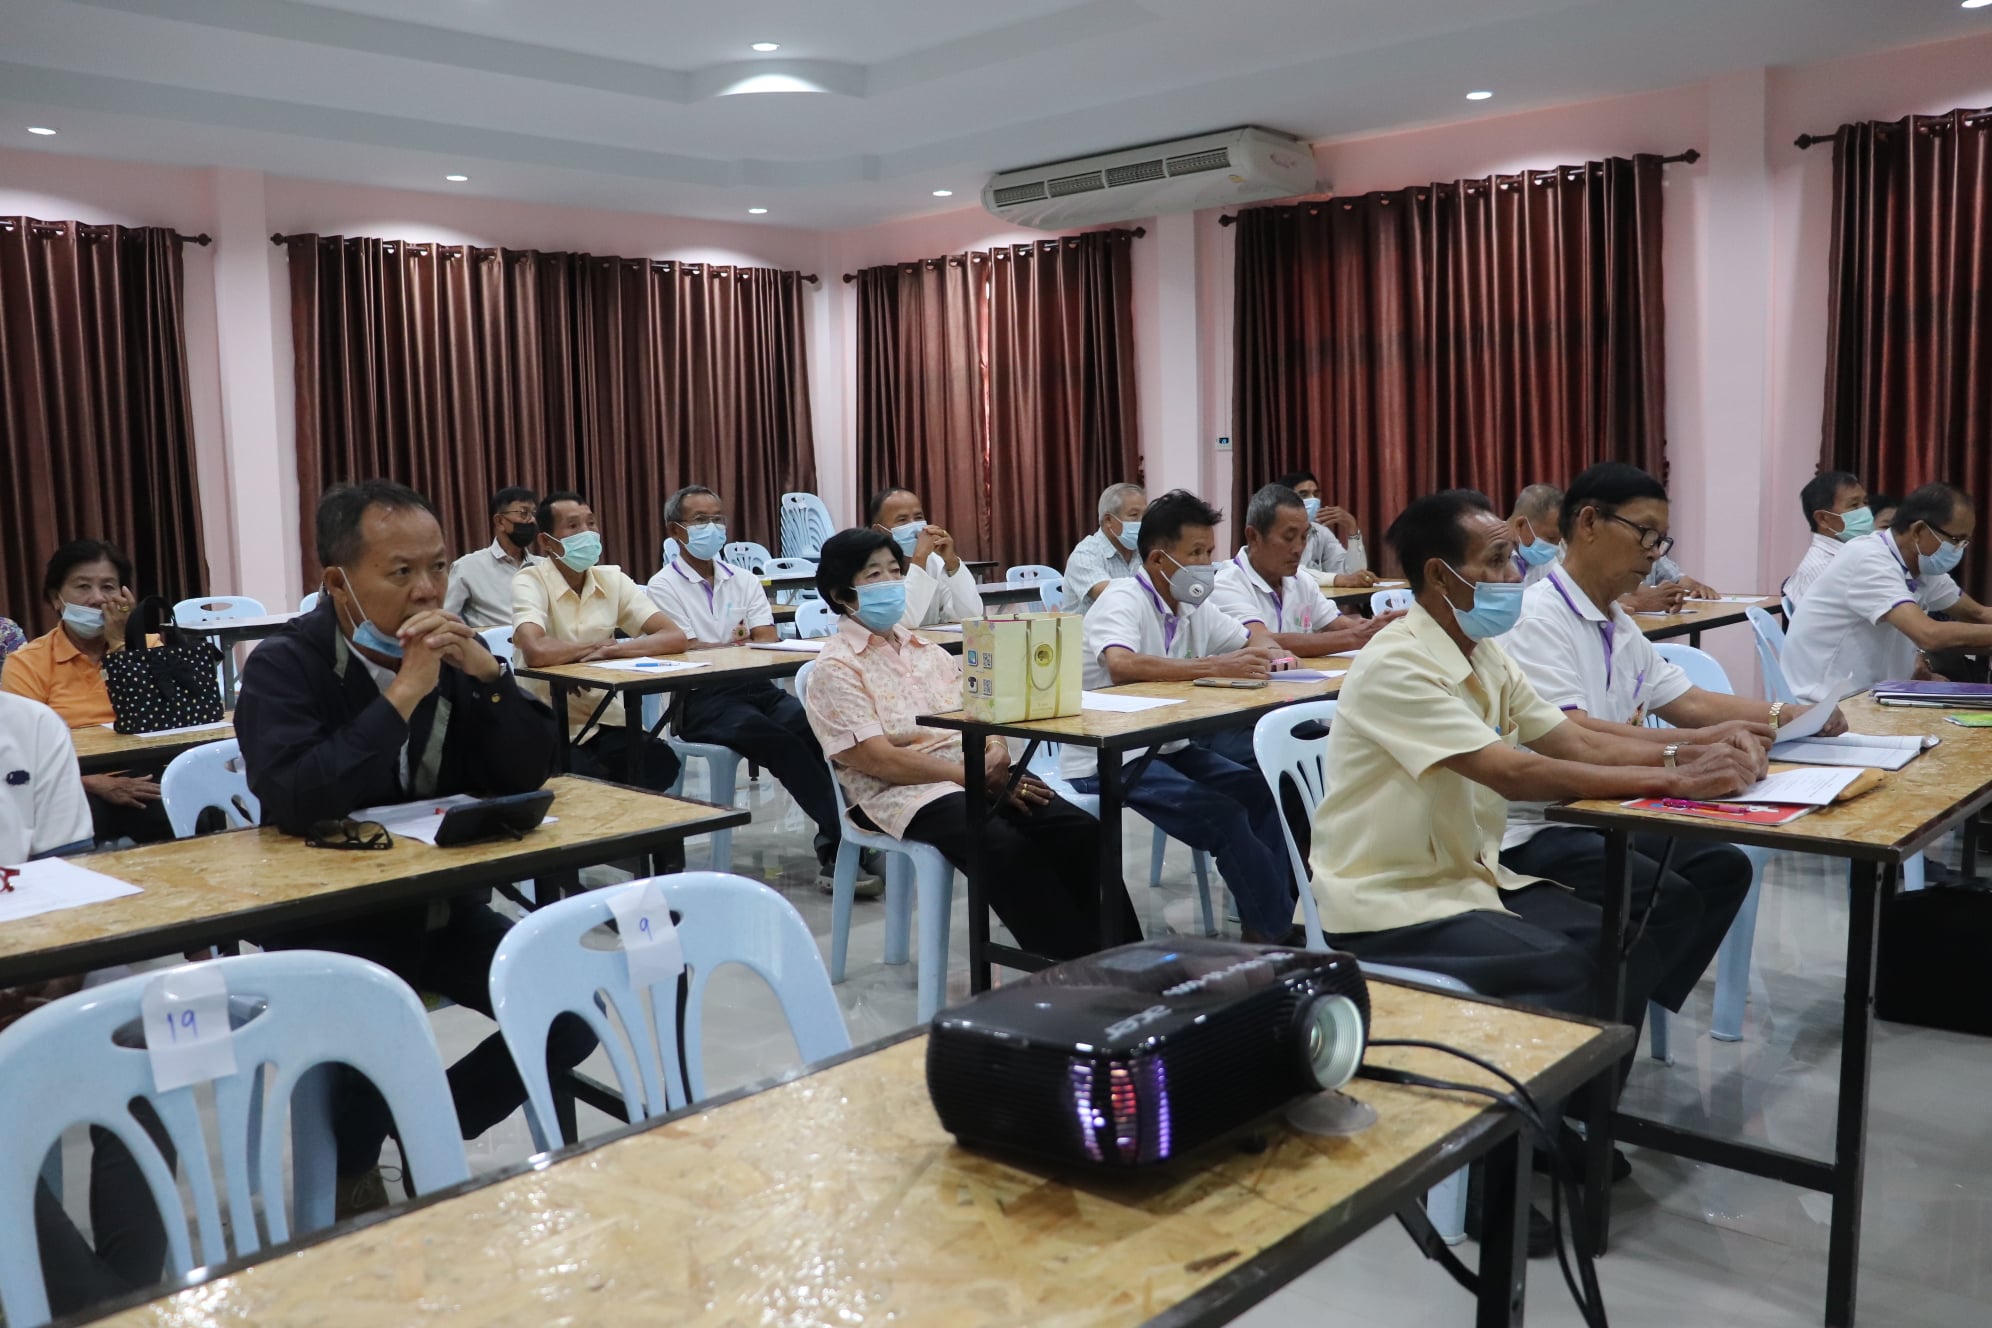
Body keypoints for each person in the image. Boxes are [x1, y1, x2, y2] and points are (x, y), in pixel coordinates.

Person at [233, 479, 592, 1218]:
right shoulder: (282, 664)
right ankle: (352, 1171)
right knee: (378, 1020)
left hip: (438, 905)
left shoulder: (456, 653)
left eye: (438, 566)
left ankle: (425, 1122)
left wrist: (490, 679)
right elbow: (299, 794)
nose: (429, 589)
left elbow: (527, 771)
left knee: (568, 1006)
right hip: (331, 922)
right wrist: (402, 695)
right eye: (401, 572)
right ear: (339, 582)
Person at [1308, 486, 1760, 1028]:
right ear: (1439, 576)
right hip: (1387, 900)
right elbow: (1514, 773)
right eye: (1496, 561)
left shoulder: (1485, 654)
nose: (1513, 577)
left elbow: (1575, 739)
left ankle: (1592, 1076)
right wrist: (1677, 779)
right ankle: (1554, 1075)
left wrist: (1695, 749)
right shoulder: (1398, 663)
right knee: (1566, 967)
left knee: (1628, 946)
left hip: (1471, 876)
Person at [1498, 464, 1812, 1022]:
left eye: (1661, 539)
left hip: (1606, 807)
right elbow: (1572, 736)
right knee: (1665, 899)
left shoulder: (1617, 622)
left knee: (1722, 868)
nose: (1654, 552)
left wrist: (1787, 714)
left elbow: (1688, 700)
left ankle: (1623, 998)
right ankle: (1605, 1023)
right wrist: (1693, 749)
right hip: (1537, 823)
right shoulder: (1538, 617)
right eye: (1645, 533)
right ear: (1588, 523)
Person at [803, 528, 1136, 957]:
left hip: (975, 773)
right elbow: (878, 759)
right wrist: (971, 776)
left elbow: (980, 710)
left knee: (1079, 830)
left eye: (894, 571)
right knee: (1002, 845)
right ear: (840, 594)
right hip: (902, 791)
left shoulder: (926, 649)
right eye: (874, 575)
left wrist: (997, 749)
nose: (892, 583)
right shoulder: (836, 667)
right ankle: (1072, 968)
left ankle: (1130, 959)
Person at [3, 692, 170, 1318]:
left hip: (29, 958)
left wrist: (54, 974)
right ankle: (112, 1310)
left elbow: (64, 881)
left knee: (153, 1046)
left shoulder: (28, 726)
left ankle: (116, 1297)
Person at [1067, 489, 1298, 943]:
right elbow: (1121, 664)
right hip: (1112, 754)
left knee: (1258, 794)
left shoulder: (1192, 606)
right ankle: (1277, 938)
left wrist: (1273, 653)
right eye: (1195, 553)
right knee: (1225, 817)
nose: (1207, 564)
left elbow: (1247, 640)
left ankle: (1272, 922)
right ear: (1158, 559)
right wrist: (1215, 666)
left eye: (1209, 552)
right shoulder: (1122, 598)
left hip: (1168, 744)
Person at [645, 485, 876, 895]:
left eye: (717, 518)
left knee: (815, 727)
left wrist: (724, 646)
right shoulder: (662, 586)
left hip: (756, 686)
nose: (713, 527)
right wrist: (733, 644)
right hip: (699, 698)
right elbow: (687, 649)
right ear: (675, 530)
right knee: (777, 741)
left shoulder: (743, 579)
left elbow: (765, 638)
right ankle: (850, 837)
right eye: (700, 520)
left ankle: (839, 842)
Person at [513, 490, 687, 799]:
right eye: (573, 526)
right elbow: (536, 651)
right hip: (548, 723)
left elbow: (674, 636)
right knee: (588, 781)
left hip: (606, 717)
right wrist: (591, 648)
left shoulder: (612, 579)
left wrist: (614, 650)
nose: (587, 533)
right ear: (547, 542)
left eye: (591, 523)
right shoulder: (530, 581)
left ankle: (631, 830)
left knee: (658, 762)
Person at [1, 540, 171, 845]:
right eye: (83, 587)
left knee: (179, 808)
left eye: (108, 587)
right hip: (68, 782)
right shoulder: (27, 663)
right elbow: (21, 755)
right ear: (56, 598)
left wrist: (120, 644)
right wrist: (94, 783)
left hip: (147, 770)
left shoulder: (150, 647)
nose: (97, 599)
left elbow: (160, 721)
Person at [1783, 482, 1992, 701]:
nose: (1959, 549)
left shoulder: (1923, 564)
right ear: (1919, 531)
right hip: (1824, 704)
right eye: (1956, 540)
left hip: (1874, 695)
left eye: (1965, 542)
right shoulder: (1869, 559)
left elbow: (1977, 614)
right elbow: (1928, 634)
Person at [1210, 483, 1389, 659]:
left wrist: (1381, 628)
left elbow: (1340, 624)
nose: (1299, 548)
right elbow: (1261, 640)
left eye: (1304, 537)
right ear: (1253, 537)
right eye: (1288, 537)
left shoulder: (1301, 580)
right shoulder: (1227, 583)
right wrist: (1356, 637)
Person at [865, 487, 983, 627]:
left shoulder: (934, 561)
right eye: (902, 520)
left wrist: (951, 561)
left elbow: (970, 616)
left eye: (918, 518)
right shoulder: (870, 569)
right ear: (879, 530)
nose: (915, 528)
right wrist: (919, 557)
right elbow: (903, 622)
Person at [445, 486, 541, 629]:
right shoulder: (467, 567)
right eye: (524, 513)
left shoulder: (543, 566)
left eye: (533, 513)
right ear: (500, 521)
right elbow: (447, 617)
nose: (532, 520)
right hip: (491, 642)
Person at [1274, 470, 1377, 588]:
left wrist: (1352, 528)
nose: (1313, 499)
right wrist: (1337, 580)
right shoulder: (1276, 531)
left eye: (1316, 494)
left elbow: (1352, 573)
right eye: (1304, 495)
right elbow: (1291, 572)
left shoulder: (1320, 531)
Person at [1783, 471, 1870, 607]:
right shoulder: (1823, 569)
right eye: (1854, 505)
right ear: (1823, 519)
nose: (1866, 511)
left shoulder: (1855, 554)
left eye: (1865, 502)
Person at [1062, 482, 1146, 611]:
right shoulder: (1085, 554)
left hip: (1130, 622)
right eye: (1134, 515)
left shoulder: (1143, 550)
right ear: (1108, 520)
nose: (1142, 522)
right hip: (1093, 624)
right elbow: (1111, 597)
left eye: (1145, 516)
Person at [1509, 483, 1565, 585]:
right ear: (1520, 525)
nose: (1555, 548)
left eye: (1559, 540)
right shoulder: (1488, 554)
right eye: (1551, 537)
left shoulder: (1549, 562)